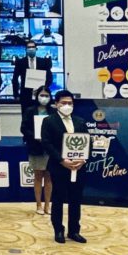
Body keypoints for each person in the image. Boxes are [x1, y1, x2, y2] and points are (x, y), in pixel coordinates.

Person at [41, 90, 88, 244]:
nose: (67, 106)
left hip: (78, 167)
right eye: (64, 103)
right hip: (59, 166)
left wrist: (83, 159)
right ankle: (58, 230)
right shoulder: (49, 121)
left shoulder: (80, 121)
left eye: (70, 103)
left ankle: (74, 230)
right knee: (58, 198)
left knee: (76, 199)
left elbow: (88, 142)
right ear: (56, 104)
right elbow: (47, 143)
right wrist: (62, 160)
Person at [20, 86, 56, 215]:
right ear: (37, 96)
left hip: (50, 149)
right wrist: (35, 136)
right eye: (42, 95)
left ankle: (48, 205)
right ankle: (39, 205)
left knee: (49, 177)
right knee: (38, 176)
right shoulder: (30, 110)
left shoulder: (53, 111)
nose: (44, 98)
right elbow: (23, 128)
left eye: (47, 95)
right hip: (36, 147)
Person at [12, 41, 53, 112]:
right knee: (26, 116)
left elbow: (49, 77)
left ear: (36, 49)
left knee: (40, 115)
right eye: (29, 47)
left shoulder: (43, 62)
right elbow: (15, 78)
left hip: (40, 95)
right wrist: (16, 94)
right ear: (26, 49)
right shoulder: (20, 62)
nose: (31, 49)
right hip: (25, 95)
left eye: (33, 47)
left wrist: (44, 88)